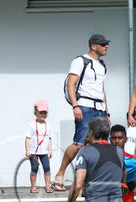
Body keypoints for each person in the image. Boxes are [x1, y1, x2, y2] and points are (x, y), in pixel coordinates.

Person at [52, 34, 110, 192]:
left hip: (99, 108)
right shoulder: (80, 61)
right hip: (84, 106)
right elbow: (71, 84)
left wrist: (107, 111)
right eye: (103, 44)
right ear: (93, 45)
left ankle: (87, 180)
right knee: (79, 144)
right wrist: (75, 106)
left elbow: (101, 89)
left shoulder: (102, 64)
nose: (106, 46)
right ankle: (60, 174)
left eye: (106, 44)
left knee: (98, 145)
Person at [25, 100, 54, 193]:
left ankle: (47, 186)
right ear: (35, 113)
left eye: (45, 113)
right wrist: (27, 150)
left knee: (47, 168)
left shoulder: (48, 125)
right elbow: (27, 138)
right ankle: (33, 186)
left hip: (44, 152)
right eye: (41, 112)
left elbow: (49, 139)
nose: (43, 114)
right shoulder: (32, 125)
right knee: (34, 168)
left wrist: (50, 150)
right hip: (34, 152)